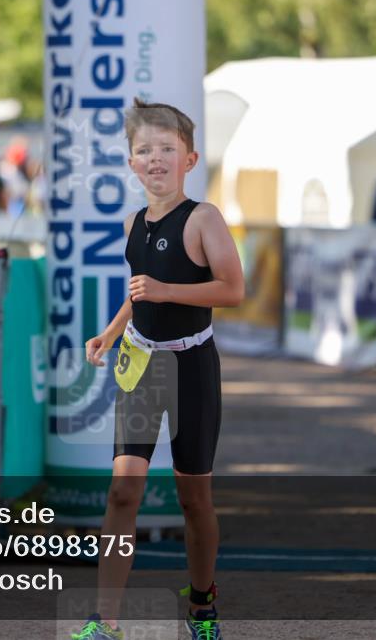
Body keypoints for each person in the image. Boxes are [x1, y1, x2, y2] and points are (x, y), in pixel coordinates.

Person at [74, 99, 244, 640]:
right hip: (143, 366)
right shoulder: (132, 223)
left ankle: (202, 606)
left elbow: (233, 289)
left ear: (189, 159)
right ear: (130, 162)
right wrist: (112, 329)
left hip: (193, 366)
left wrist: (168, 290)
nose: (155, 159)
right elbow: (140, 295)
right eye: (144, 150)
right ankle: (106, 622)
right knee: (123, 491)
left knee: (194, 498)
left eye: (167, 149)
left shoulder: (203, 218)